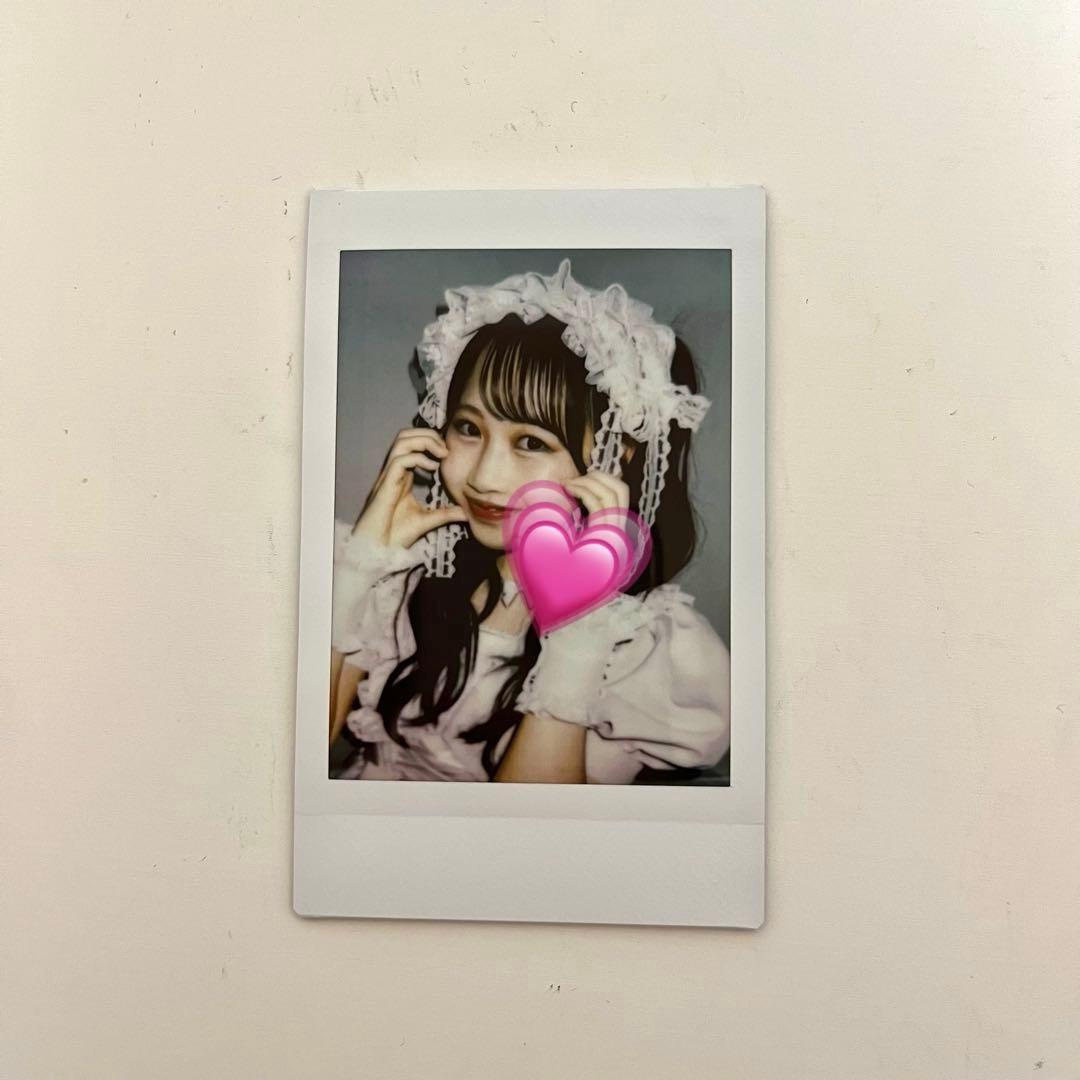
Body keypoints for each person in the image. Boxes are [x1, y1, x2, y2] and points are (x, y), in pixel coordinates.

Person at [329, 259, 730, 783]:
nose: (485, 477)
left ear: (615, 455)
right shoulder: (405, 577)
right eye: (468, 428)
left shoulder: (641, 644)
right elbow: (298, 751)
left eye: (531, 442)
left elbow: (534, 823)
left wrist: (576, 636)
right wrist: (362, 559)